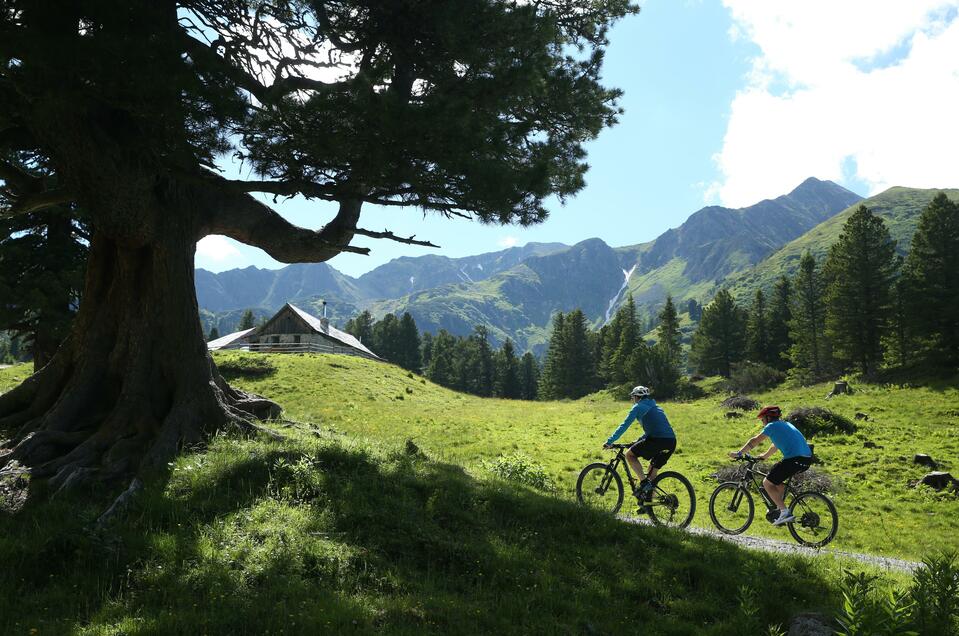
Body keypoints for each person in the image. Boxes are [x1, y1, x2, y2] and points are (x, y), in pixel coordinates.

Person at [729, 405, 813, 526]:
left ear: (768, 418)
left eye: (762, 420)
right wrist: (765, 455)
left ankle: (784, 512)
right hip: (806, 460)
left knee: (767, 483)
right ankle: (780, 509)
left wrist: (739, 453)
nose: (762, 423)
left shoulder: (771, 426)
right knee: (776, 482)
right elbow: (776, 445)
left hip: (794, 460)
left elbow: (755, 441)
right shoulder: (785, 424)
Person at [603, 385, 677, 506]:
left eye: (633, 397)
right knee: (652, 472)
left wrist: (610, 441)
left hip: (657, 440)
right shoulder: (656, 407)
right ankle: (649, 504)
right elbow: (654, 429)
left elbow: (624, 425)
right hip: (671, 441)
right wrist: (637, 441)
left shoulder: (638, 407)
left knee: (629, 455)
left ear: (637, 397)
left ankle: (643, 483)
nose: (632, 400)